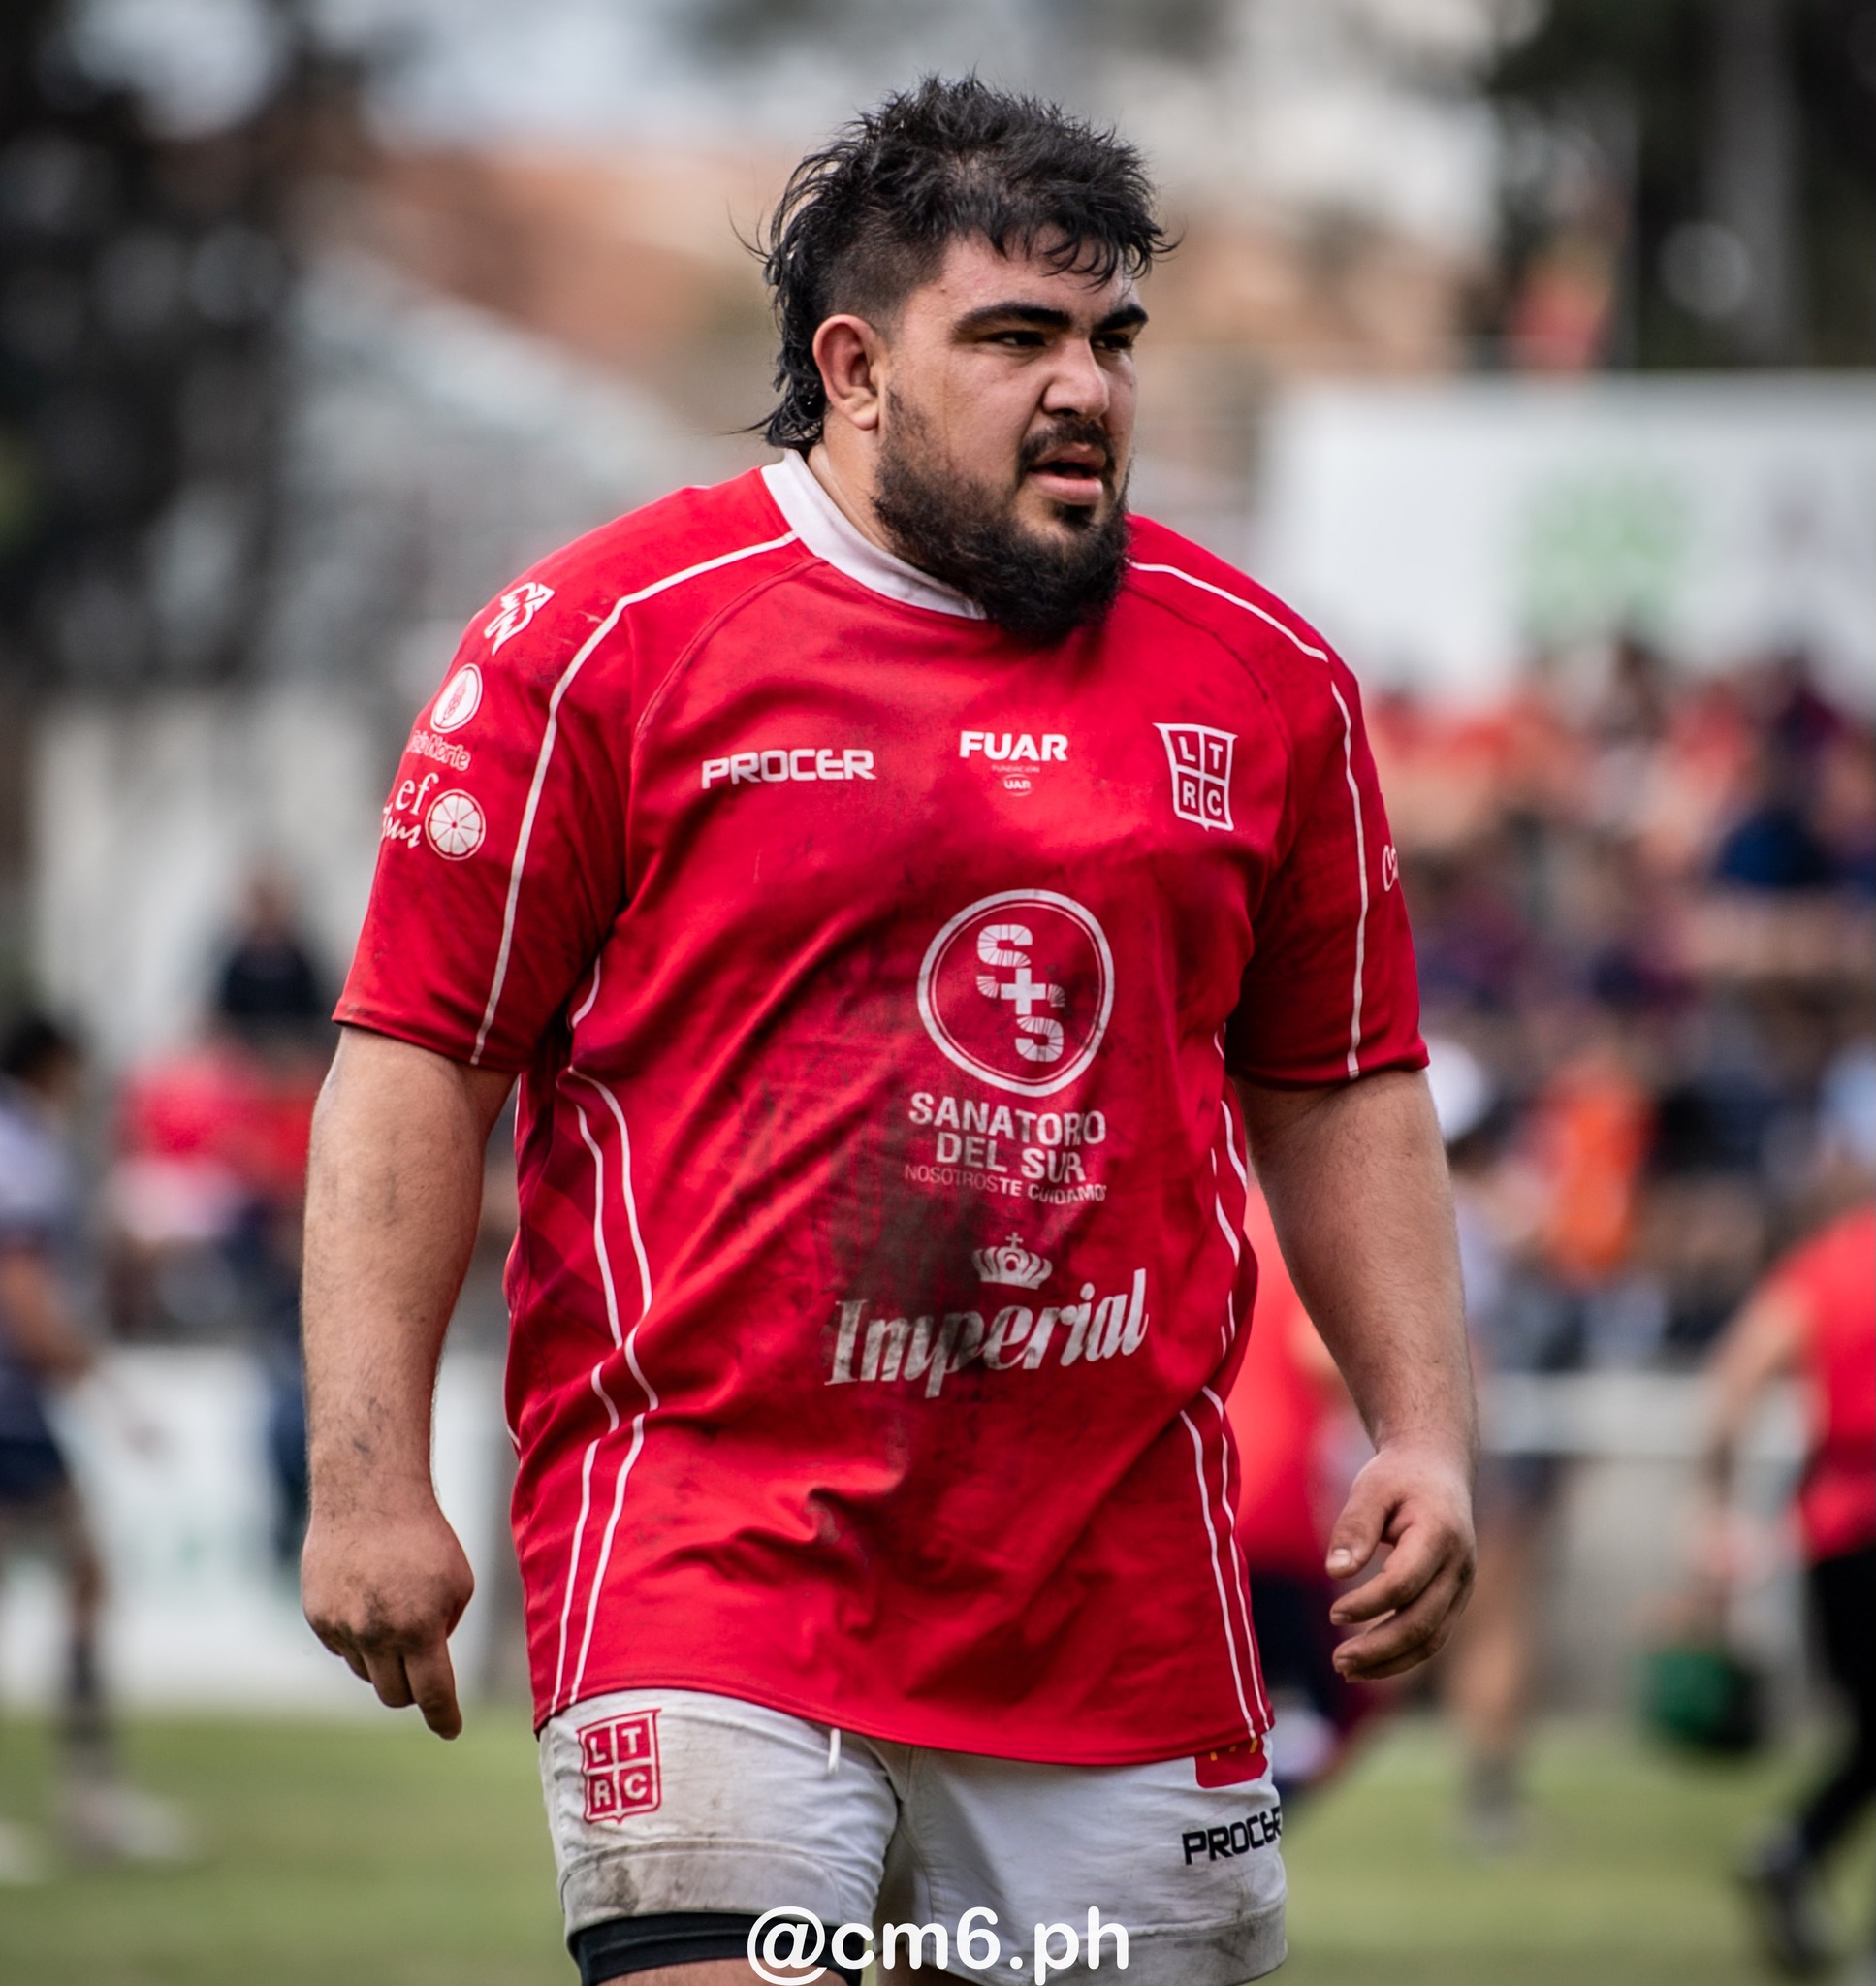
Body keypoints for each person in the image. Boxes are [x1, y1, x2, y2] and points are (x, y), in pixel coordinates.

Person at [301, 79, 1476, 1986]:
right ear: (852, 366)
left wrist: (1424, 1427)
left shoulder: (1267, 676)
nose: (1081, 386)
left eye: (1107, 339)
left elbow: (1340, 1075)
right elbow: (418, 1049)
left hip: (1114, 1602)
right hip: (711, 1553)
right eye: (1011, 338)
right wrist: (364, 1480)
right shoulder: (604, 637)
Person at [0, 1013, 190, 1873]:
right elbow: (23, 1296)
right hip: (10, 1407)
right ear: (53, 1069)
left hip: (19, 1404)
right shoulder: (25, 1152)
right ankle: (90, 1800)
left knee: (82, 1574)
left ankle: (90, 1798)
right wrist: (114, 1398)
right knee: (84, 1574)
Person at [1701, 1194, 1875, 1978]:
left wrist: (1716, 1502)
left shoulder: (1827, 1264)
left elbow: (1738, 1371)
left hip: (1836, 1533)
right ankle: (1797, 1851)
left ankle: (1795, 1850)